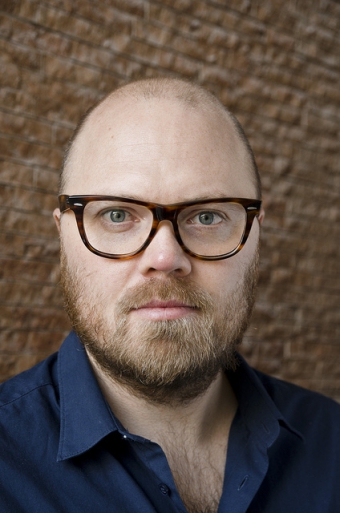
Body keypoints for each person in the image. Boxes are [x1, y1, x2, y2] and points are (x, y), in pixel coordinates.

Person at [0, 78, 339, 513]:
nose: (164, 256)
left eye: (208, 215)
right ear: (62, 237)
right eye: (117, 214)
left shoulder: (331, 445)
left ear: (256, 236)